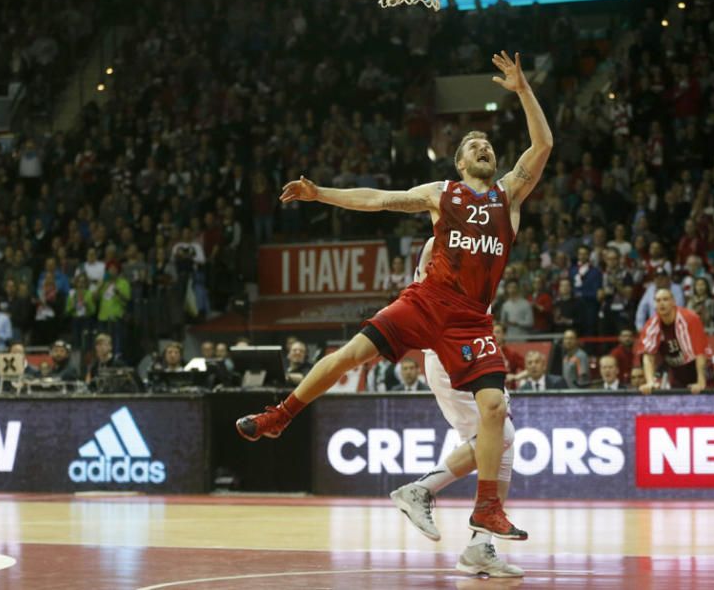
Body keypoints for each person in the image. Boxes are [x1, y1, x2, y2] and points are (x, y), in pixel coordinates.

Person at [235, 51, 551, 540]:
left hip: (470, 321)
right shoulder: (441, 193)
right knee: (350, 355)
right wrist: (322, 194)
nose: (483, 148)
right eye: (473, 145)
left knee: (494, 411)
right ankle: (280, 416)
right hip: (427, 302)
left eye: (487, 143)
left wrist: (523, 89)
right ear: (459, 162)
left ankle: (486, 509)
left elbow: (544, 143)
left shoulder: (507, 195)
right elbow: (377, 200)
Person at [389, 238, 522, 577]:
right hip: (451, 353)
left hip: (474, 348)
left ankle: (480, 545)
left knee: (502, 449)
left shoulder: (483, 236)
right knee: (501, 435)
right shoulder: (442, 243)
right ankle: (420, 489)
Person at [637, 289, 714, 394]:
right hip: (677, 370)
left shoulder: (690, 318)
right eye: (658, 300)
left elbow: (700, 352)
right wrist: (650, 382)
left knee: (707, 403)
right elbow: (648, 356)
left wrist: (701, 382)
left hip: (698, 366)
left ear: (673, 302)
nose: (661, 303)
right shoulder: (651, 325)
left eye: (665, 299)